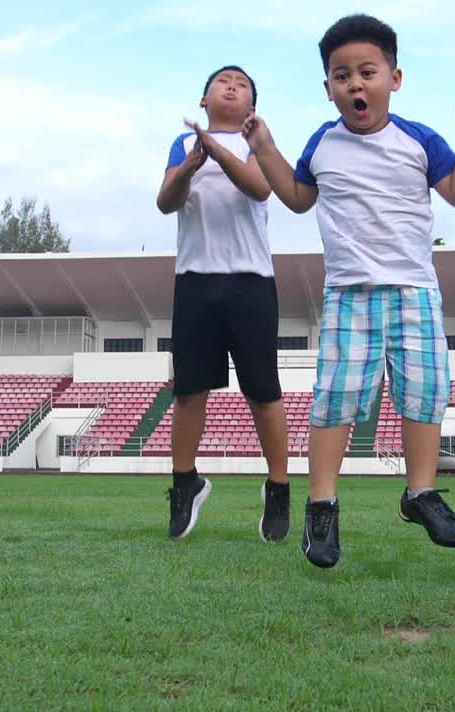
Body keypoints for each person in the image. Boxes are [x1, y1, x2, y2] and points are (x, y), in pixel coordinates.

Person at [242, 15, 455, 567]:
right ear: (328, 88)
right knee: (336, 399)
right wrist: (263, 145)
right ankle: (322, 506)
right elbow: (297, 197)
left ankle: (420, 492)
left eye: (367, 72)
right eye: (341, 75)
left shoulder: (418, 139)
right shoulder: (323, 143)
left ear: (394, 79)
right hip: (350, 293)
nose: (355, 84)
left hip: (414, 290)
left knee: (425, 391)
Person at [155, 65, 290, 543]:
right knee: (189, 391)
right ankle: (184, 483)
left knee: (263, 392)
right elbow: (165, 202)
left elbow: (260, 187)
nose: (231, 87)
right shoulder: (182, 145)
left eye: (242, 84)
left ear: (251, 105)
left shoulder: (258, 142)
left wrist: (216, 152)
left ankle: (278, 489)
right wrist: (192, 164)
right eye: (221, 82)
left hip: (251, 280)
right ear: (203, 100)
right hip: (195, 280)